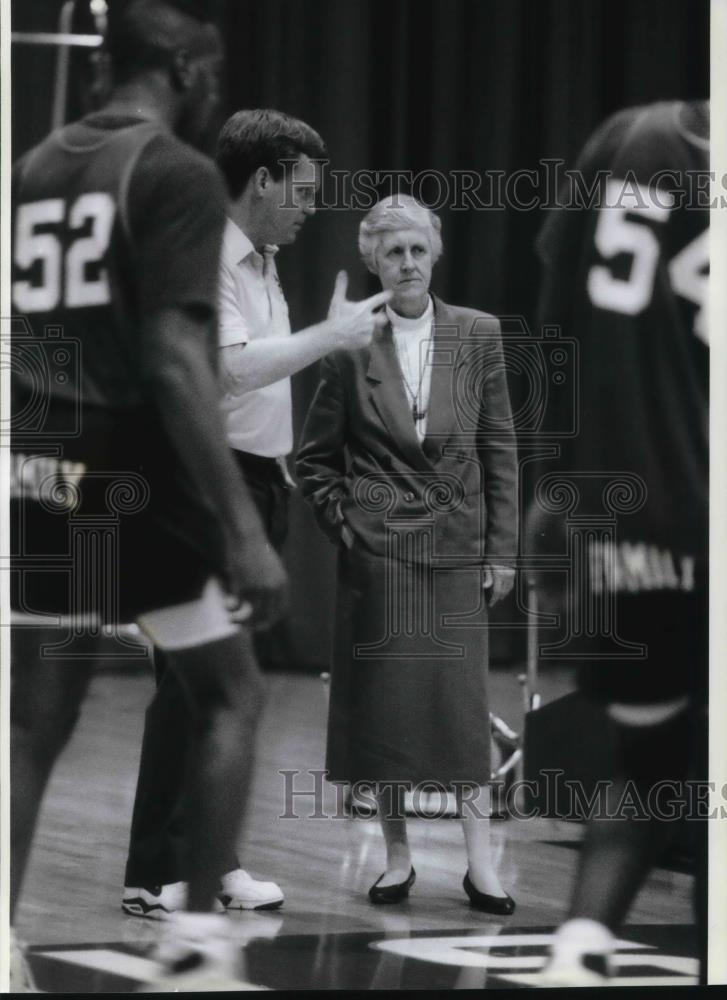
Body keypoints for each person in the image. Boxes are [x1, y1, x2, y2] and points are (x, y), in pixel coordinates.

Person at [9, 0, 286, 990]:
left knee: (34, 720)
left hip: (41, 464)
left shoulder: (36, 167)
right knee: (231, 691)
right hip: (133, 468)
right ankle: (198, 942)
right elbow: (175, 359)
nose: (213, 84)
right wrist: (242, 525)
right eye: (205, 66)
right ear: (174, 62)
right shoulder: (172, 171)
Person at [122, 107, 393, 917]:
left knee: (213, 692)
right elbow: (233, 371)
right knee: (190, 687)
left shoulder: (263, 259)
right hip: (206, 483)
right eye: (301, 190)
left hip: (258, 479)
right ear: (262, 178)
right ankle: (153, 870)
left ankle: (213, 858)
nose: (312, 206)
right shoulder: (203, 249)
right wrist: (332, 335)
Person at [527, 101, 709, 986]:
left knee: (649, 759)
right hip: (704, 509)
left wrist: (556, 484)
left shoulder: (629, 137)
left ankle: (577, 950)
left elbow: (554, 279)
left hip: (615, 520)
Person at [296, 195, 518, 909]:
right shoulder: (347, 342)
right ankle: (396, 857)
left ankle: (481, 863)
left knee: (459, 709)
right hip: (381, 554)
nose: (408, 263)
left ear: (436, 253)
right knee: (386, 712)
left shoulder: (478, 334)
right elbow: (312, 461)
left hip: (457, 548)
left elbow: (499, 449)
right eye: (393, 251)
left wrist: (503, 551)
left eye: (418, 249)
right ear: (371, 261)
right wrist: (350, 527)